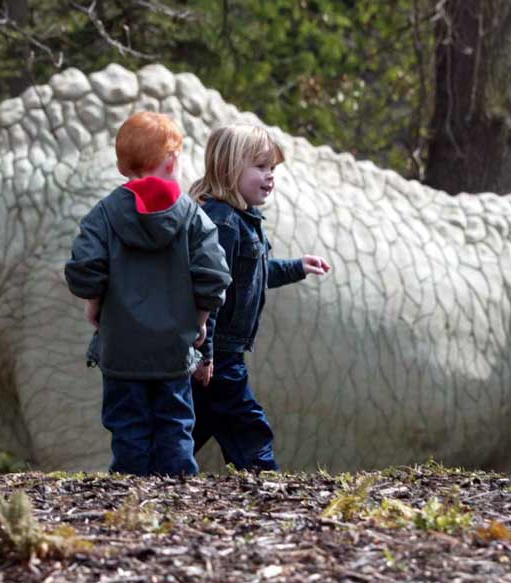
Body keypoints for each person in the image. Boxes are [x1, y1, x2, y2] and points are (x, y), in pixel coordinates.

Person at [64, 112, 231, 476]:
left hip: (121, 349)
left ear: (124, 167)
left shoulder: (104, 214)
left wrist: (94, 303)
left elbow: (84, 268)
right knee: (175, 427)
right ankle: (176, 502)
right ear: (172, 162)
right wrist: (200, 320)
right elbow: (214, 274)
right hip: (173, 350)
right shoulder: (192, 216)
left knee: (128, 429)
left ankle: (129, 504)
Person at [188, 124, 332, 472]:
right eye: (260, 167)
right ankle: (265, 482)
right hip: (219, 353)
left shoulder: (242, 219)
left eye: (273, 169)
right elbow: (211, 292)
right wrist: (205, 353)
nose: (270, 177)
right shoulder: (223, 223)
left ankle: (146, 474)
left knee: (188, 427)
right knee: (248, 427)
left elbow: (253, 276)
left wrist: (297, 267)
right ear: (229, 167)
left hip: (222, 351)